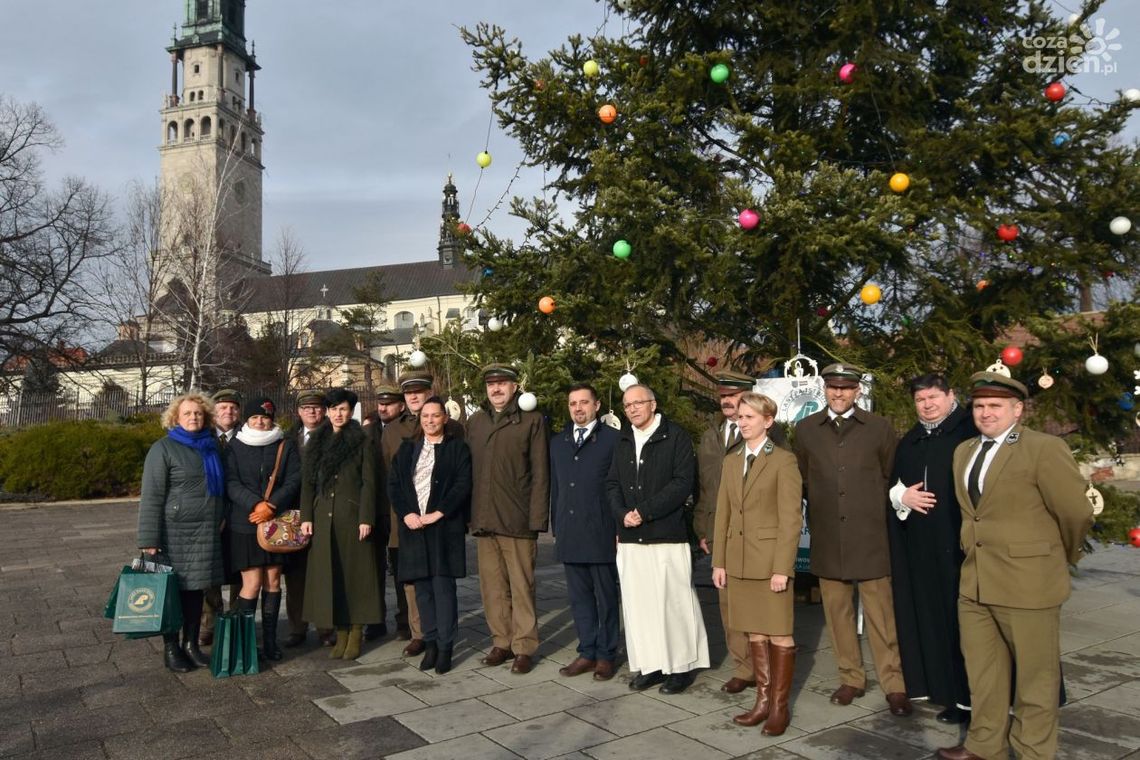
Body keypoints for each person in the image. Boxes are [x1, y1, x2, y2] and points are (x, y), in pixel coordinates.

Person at [936, 372, 1092, 760]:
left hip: (1028, 583)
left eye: (996, 405)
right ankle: (984, 744)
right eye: (979, 406)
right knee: (983, 673)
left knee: (1035, 679)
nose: (986, 413)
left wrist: (1056, 558)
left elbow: (1075, 512)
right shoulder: (964, 451)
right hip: (975, 583)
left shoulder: (1043, 448)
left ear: (1017, 409)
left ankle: (1033, 751)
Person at [794, 363, 911, 716]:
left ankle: (894, 685)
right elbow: (803, 480)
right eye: (833, 387)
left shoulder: (878, 428)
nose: (839, 393)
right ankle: (851, 679)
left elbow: (891, 475)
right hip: (829, 537)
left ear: (858, 390)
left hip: (871, 536)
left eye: (846, 388)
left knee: (882, 617)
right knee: (838, 615)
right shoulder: (806, 430)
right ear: (824, 389)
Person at [606, 384, 708, 694]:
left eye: (638, 403)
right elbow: (612, 483)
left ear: (653, 404)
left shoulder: (675, 436)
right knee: (639, 607)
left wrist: (644, 512)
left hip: (666, 534)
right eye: (627, 405)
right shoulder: (623, 439)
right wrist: (622, 514)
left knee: (673, 604)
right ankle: (650, 665)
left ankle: (680, 668)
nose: (632, 409)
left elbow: (682, 483)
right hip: (631, 537)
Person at [887, 374, 977, 724]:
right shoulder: (911, 440)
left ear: (951, 395)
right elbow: (893, 484)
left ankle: (974, 698)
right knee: (936, 622)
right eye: (920, 399)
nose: (927, 405)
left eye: (934, 397)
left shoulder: (969, 432)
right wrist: (901, 496)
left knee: (965, 626)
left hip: (961, 548)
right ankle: (949, 694)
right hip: (923, 550)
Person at [712, 392, 802, 735]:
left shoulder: (783, 461)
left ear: (768, 421)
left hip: (769, 564)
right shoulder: (731, 460)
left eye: (750, 417)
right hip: (738, 561)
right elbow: (722, 514)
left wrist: (782, 568)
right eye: (740, 417)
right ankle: (762, 702)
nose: (743, 422)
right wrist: (719, 562)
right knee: (754, 631)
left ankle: (779, 707)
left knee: (780, 634)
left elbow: (791, 520)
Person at [466, 363, 550, 675]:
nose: (496, 389)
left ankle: (524, 646)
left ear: (515, 387)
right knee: (492, 587)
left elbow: (541, 473)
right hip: (484, 518)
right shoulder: (476, 422)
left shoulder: (531, 420)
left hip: (517, 519)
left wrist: (537, 519)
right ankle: (501, 641)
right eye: (492, 384)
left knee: (521, 586)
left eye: (503, 383)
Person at [138, 392, 226, 672]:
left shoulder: (211, 447)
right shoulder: (162, 448)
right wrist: (149, 540)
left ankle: (191, 645)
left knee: (196, 591)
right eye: (187, 413)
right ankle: (171, 648)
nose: (193, 417)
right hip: (173, 533)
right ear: (175, 417)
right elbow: (151, 496)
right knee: (171, 592)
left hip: (205, 532)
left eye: (198, 413)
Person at [381, 370, 465, 656]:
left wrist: (442, 512)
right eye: (409, 393)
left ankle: (443, 642)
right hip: (409, 523)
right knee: (417, 587)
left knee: (442, 586)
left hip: (442, 524)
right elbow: (390, 479)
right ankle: (423, 637)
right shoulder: (397, 435)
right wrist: (402, 514)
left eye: (419, 392)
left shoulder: (455, 437)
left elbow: (462, 480)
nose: (414, 397)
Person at [299, 388, 385, 661]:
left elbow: (369, 483)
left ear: (351, 412)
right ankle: (340, 630)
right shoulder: (317, 441)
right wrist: (307, 517)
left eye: (344, 409)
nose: (338, 414)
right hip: (323, 517)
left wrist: (366, 518)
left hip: (351, 517)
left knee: (356, 576)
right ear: (327, 411)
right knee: (331, 575)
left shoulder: (362, 440)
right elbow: (308, 483)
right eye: (334, 409)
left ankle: (355, 630)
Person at [549, 383, 621, 681]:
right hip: (571, 531)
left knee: (606, 598)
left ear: (597, 405)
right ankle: (587, 651)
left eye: (584, 402)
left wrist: (618, 527)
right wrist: (557, 526)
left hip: (601, 530)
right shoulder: (558, 442)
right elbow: (556, 487)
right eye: (573, 403)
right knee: (579, 598)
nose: (578, 408)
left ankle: (606, 654)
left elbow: (619, 487)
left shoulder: (613, 440)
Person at [224, 396, 301, 662]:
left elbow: (294, 479)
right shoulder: (235, 445)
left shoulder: (284, 444)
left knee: (273, 580)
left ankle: (270, 641)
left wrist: (272, 505)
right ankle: (245, 642)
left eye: (265, 417)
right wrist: (256, 504)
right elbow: (230, 482)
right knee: (252, 582)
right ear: (247, 419)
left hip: (275, 522)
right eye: (255, 417)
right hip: (244, 522)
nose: (260, 422)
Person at [694, 370, 753, 694]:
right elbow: (705, 487)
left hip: (753, 533)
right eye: (723, 396)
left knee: (756, 602)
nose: (727, 401)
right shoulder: (710, 436)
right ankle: (743, 668)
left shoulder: (765, 433)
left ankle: (766, 665)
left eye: (733, 395)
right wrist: (703, 528)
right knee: (728, 603)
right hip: (719, 530)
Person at [283, 389, 333, 648]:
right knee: (295, 575)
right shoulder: (288, 439)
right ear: (299, 412)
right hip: (294, 512)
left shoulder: (334, 435)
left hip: (324, 510)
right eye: (306, 408)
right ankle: (297, 627)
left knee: (323, 572)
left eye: (316, 407)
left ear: (324, 411)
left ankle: (326, 627)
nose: (312, 412)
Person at [199, 388, 242, 647]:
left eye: (233, 407)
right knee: (209, 571)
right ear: (213, 412)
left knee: (241, 570)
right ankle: (210, 622)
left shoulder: (248, 435)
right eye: (223, 407)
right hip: (210, 513)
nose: (228, 411)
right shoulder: (202, 437)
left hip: (239, 513)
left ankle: (237, 619)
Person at [363, 383, 405, 642]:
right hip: (374, 509)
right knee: (372, 568)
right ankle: (375, 620)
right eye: (380, 403)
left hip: (398, 510)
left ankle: (404, 621)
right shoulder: (368, 432)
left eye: (389, 404)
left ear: (401, 405)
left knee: (401, 567)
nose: (383, 408)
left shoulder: (405, 429)